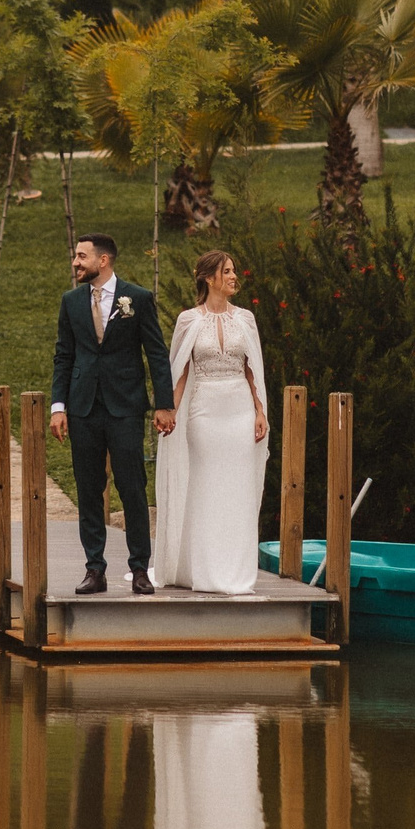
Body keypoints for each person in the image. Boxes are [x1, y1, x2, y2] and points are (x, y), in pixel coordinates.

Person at [50, 234, 175, 596]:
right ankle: (95, 569)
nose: (76, 262)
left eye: (81, 256)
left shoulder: (137, 298)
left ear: (102, 260)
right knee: (89, 488)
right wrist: (59, 407)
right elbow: (63, 355)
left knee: (132, 487)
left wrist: (164, 404)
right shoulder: (71, 301)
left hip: (125, 407)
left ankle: (139, 569)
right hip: (83, 407)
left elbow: (156, 352)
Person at [154, 250, 270, 595]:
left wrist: (260, 411)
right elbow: (180, 372)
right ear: (209, 278)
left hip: (239, 410)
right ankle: (203, 570)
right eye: (227, 271)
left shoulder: (246, 318)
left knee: (238, 490)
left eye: (234, 271)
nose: (234, 277)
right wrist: (169, 411)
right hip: (204, 411)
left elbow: (252, 369)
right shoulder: (188, 320)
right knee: (206, 488)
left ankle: (236, 571)